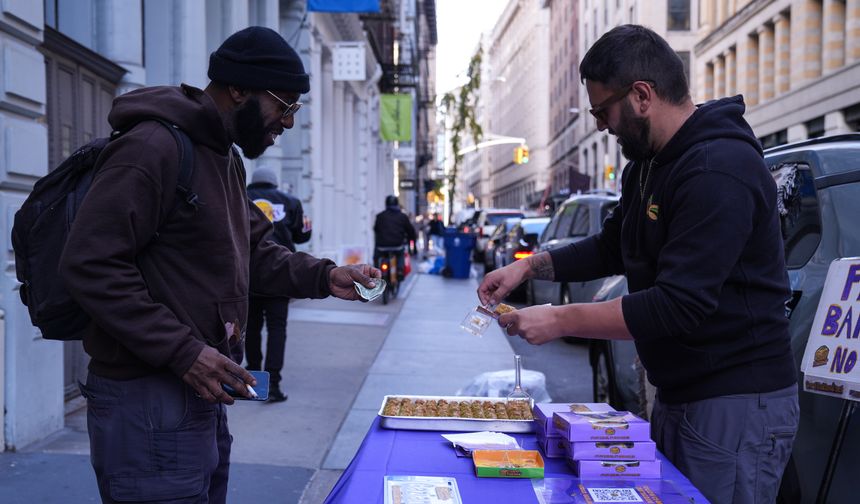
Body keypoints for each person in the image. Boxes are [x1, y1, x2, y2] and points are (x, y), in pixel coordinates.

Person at [478, 25, 798, 504]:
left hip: (734, 399)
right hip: (681, 392)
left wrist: (560, 318)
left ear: (642, 95)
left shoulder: (717, 169)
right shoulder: (646, 165)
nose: (601, 125)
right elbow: (612, 247)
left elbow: (678, 305)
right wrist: (528, 268)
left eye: (602, 110)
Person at [59, 26, 380, 504]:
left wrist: (325, 275)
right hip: (148, 398)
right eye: (284, 104)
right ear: (238, 89)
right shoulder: (153, 148)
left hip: (198, 393)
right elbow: (89, 264)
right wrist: (183, 351)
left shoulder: (223, 157)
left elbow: (252, 251)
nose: (288, 121)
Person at [246, 167, 312, 402]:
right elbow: (301, 236)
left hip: (247, 274)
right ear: (274, 184)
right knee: (277, 328)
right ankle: (272, 385)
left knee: (251, 327)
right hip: (279, 273)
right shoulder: (291, 202)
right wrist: (307, 226)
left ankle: (251, 381)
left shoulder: (239, 196)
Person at [373, 195, 417, 272]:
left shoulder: (380, 216)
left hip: (382, 246)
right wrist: (413, 247)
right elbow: (411, 231)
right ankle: (400, 270)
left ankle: (375, 272)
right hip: (397, 245)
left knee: (376, 257)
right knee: (400, 253)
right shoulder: (403, 216)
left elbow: (376, 229)